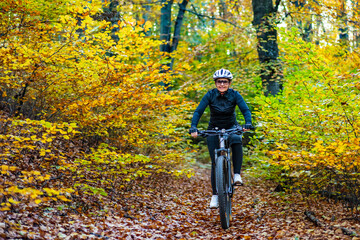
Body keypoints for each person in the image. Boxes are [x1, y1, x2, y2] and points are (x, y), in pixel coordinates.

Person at [189, 68, 252, 209]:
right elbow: (199, 111)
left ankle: (236, 175)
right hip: (214, 129)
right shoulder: (210, 95)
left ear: (229, 83)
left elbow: (245, 110)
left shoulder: (235, 95)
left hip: (231, 127)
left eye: (224, 82)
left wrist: (247, 122)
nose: (222, 84)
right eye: (219, 82)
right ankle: (216, 195)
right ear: (215, 83)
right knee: (215, 163)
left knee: (236, 139)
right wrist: (194, 126)